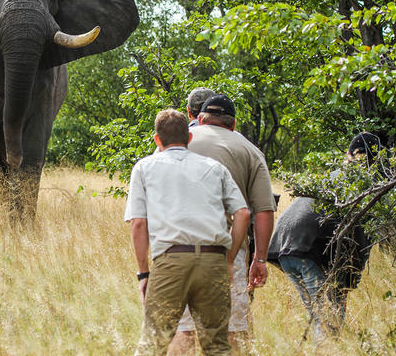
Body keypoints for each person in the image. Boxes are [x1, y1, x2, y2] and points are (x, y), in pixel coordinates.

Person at [125, 109, 250, 356]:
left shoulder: (144, 167)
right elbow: (243, 214)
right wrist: (228, 259)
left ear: (157, 139)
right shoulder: (215, 168)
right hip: (213, 260)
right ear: (189, 138)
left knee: (153, 343)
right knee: (217, 346)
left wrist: (143, 273)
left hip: (171, 261)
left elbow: (138, 224)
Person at [169, 94, 276, 355]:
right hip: (228, 253)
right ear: (233, 124)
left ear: (200, 119)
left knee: (184, 330)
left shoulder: (177, 145)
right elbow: (263, 211)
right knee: (233, 331)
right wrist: (260, 259)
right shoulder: (250, 151)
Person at [267, 132, 380, 343]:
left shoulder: (333, 174)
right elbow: (361, 242)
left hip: (283, 245)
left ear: (347, 153)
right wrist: (348, 283)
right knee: (329, 319)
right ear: (376, 162)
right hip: (305, 249)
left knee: (321, 314)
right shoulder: (364, 185)